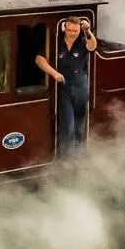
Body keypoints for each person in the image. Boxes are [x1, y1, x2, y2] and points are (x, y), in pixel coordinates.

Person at [38, 16, 97, 156]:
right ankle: (66, 160)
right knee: (68, 126)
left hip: (81, 88)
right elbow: (39, 59)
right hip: (64, 89)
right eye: (69, 30)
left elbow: (93, 46)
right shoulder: (56, 42)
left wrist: (87, 31)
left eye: (75, 31)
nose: (72, 33)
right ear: (64, 28)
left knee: (79, 127)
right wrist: (54, 73)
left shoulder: (82, 42)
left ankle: (78, 158)